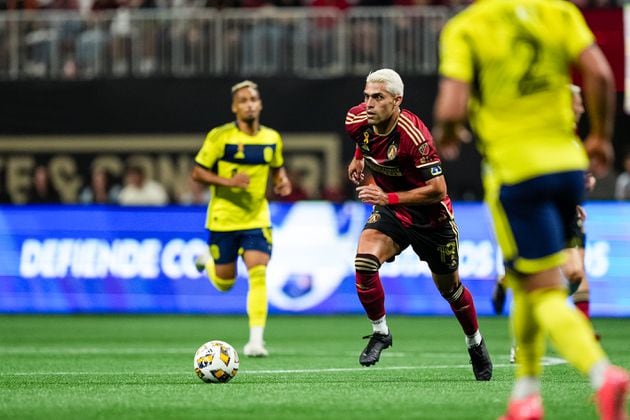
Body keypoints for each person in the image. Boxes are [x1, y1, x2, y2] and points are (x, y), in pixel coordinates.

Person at [433, 0, 629, 418]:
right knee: (525, 279)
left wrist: (449, 130)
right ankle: (525, 396)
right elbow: (598, 73)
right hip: (568, 167)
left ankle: (602, 374)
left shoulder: (468, 26)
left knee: (541, 288)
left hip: (517, 172)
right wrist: (600, 136)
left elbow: (451, 106)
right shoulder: (558, 12)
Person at [345, 68, 492, 381]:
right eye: (366, 96)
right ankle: (380, 332)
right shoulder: (356, 119)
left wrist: (389, 198)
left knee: (451, 291)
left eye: (378, 98)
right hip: (393, 214)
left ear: (397, 101)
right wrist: (358, 159)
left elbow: (439, 190)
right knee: (364, 262)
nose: (368, 103)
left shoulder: (415, 136)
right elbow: (362, 138)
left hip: (431, 219)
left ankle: (475, 343)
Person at [491, 85, 600, 362]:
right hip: (539, 212)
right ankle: (529, 336)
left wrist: (578, 194)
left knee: (575, 273)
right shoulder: (538, 132)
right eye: (578, 103)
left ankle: (546, 307)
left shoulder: (572, 139)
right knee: (542, 277)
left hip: (568, 211)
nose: (582, 108)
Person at [192, 80, 292, 358]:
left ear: (259, 104)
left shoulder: (272, 138)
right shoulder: (220, 137)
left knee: (258, 273)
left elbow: (277, 169)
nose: (249, 104)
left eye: (253, 99)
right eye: (243, 100)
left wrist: (282, 182)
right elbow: (197, 173)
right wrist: (229, 181)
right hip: (223, 219)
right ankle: (207, 262)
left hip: (256, 218)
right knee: (225, 283)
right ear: (235, 107)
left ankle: (256, 341)